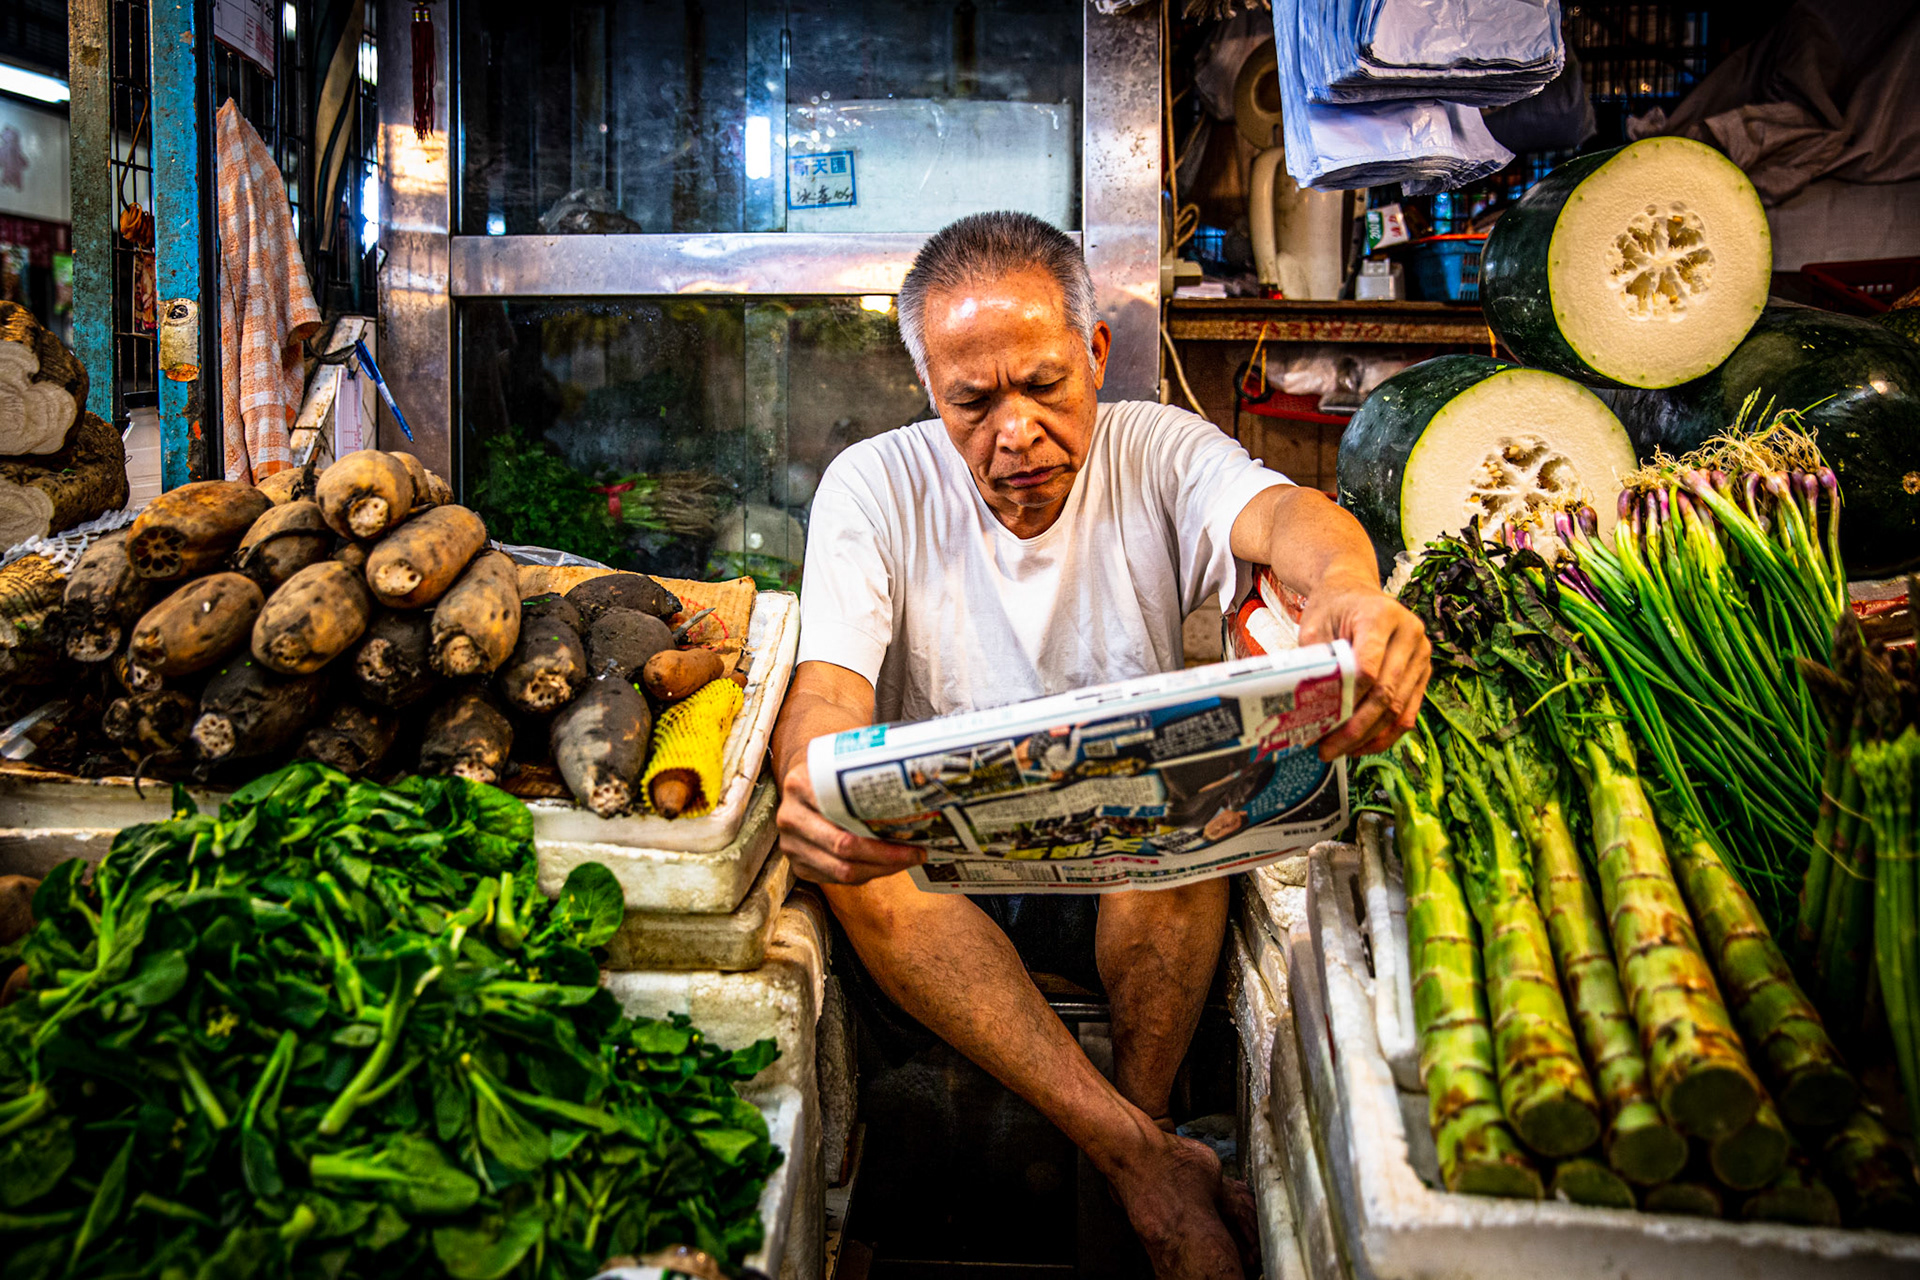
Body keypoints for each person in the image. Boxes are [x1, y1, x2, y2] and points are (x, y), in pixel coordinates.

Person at [770, 212, 1431, 1280]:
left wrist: (1349, 589)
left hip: (1135, 876)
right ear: (928, 389)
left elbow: (1288, 516)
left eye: (1044, 385)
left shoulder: (1157, 447)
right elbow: (827, 690)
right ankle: (1144, 1163)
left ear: (1095, 355)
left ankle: (1144, 1125)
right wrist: (815, 779)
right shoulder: (873, 482)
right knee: (856, 857)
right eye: (972, 403)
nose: (1015, 433)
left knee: (1202, 816)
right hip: (951, 894)